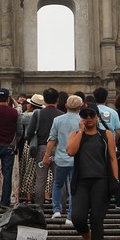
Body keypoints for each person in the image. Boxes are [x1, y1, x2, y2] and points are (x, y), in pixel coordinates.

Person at [66, 104, 119, 240]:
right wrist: (80, 132)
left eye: (91, 114)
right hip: (81, 181)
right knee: (77, 217)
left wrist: (115, 180)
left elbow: (112, 157)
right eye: (84, 115)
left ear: (97, 116)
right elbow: (70, 151)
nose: (88, 118)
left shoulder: (106, 135)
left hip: (101, 181)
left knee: (97, 220)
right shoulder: (75, 134)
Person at [42, 94, 84, 222]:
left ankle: (56, 210)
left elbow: (52, 139)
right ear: (80, 107)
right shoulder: (82, 121)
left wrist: (46, 155)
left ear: (66, 105)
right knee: (73, 188)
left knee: (58, 184)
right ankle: (71, 215)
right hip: (77, 158)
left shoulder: (58, 120)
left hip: (61, 158)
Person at [25, 89, 61, 205]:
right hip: (58, 149)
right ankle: (59, 206)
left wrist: (30, 141)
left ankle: (38, 205)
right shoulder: (61, 114)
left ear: (44, 100)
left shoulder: (38, 114)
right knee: (59, 179)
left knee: (41, 178)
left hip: (41, 148)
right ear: (57, 100)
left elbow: (29, 132)